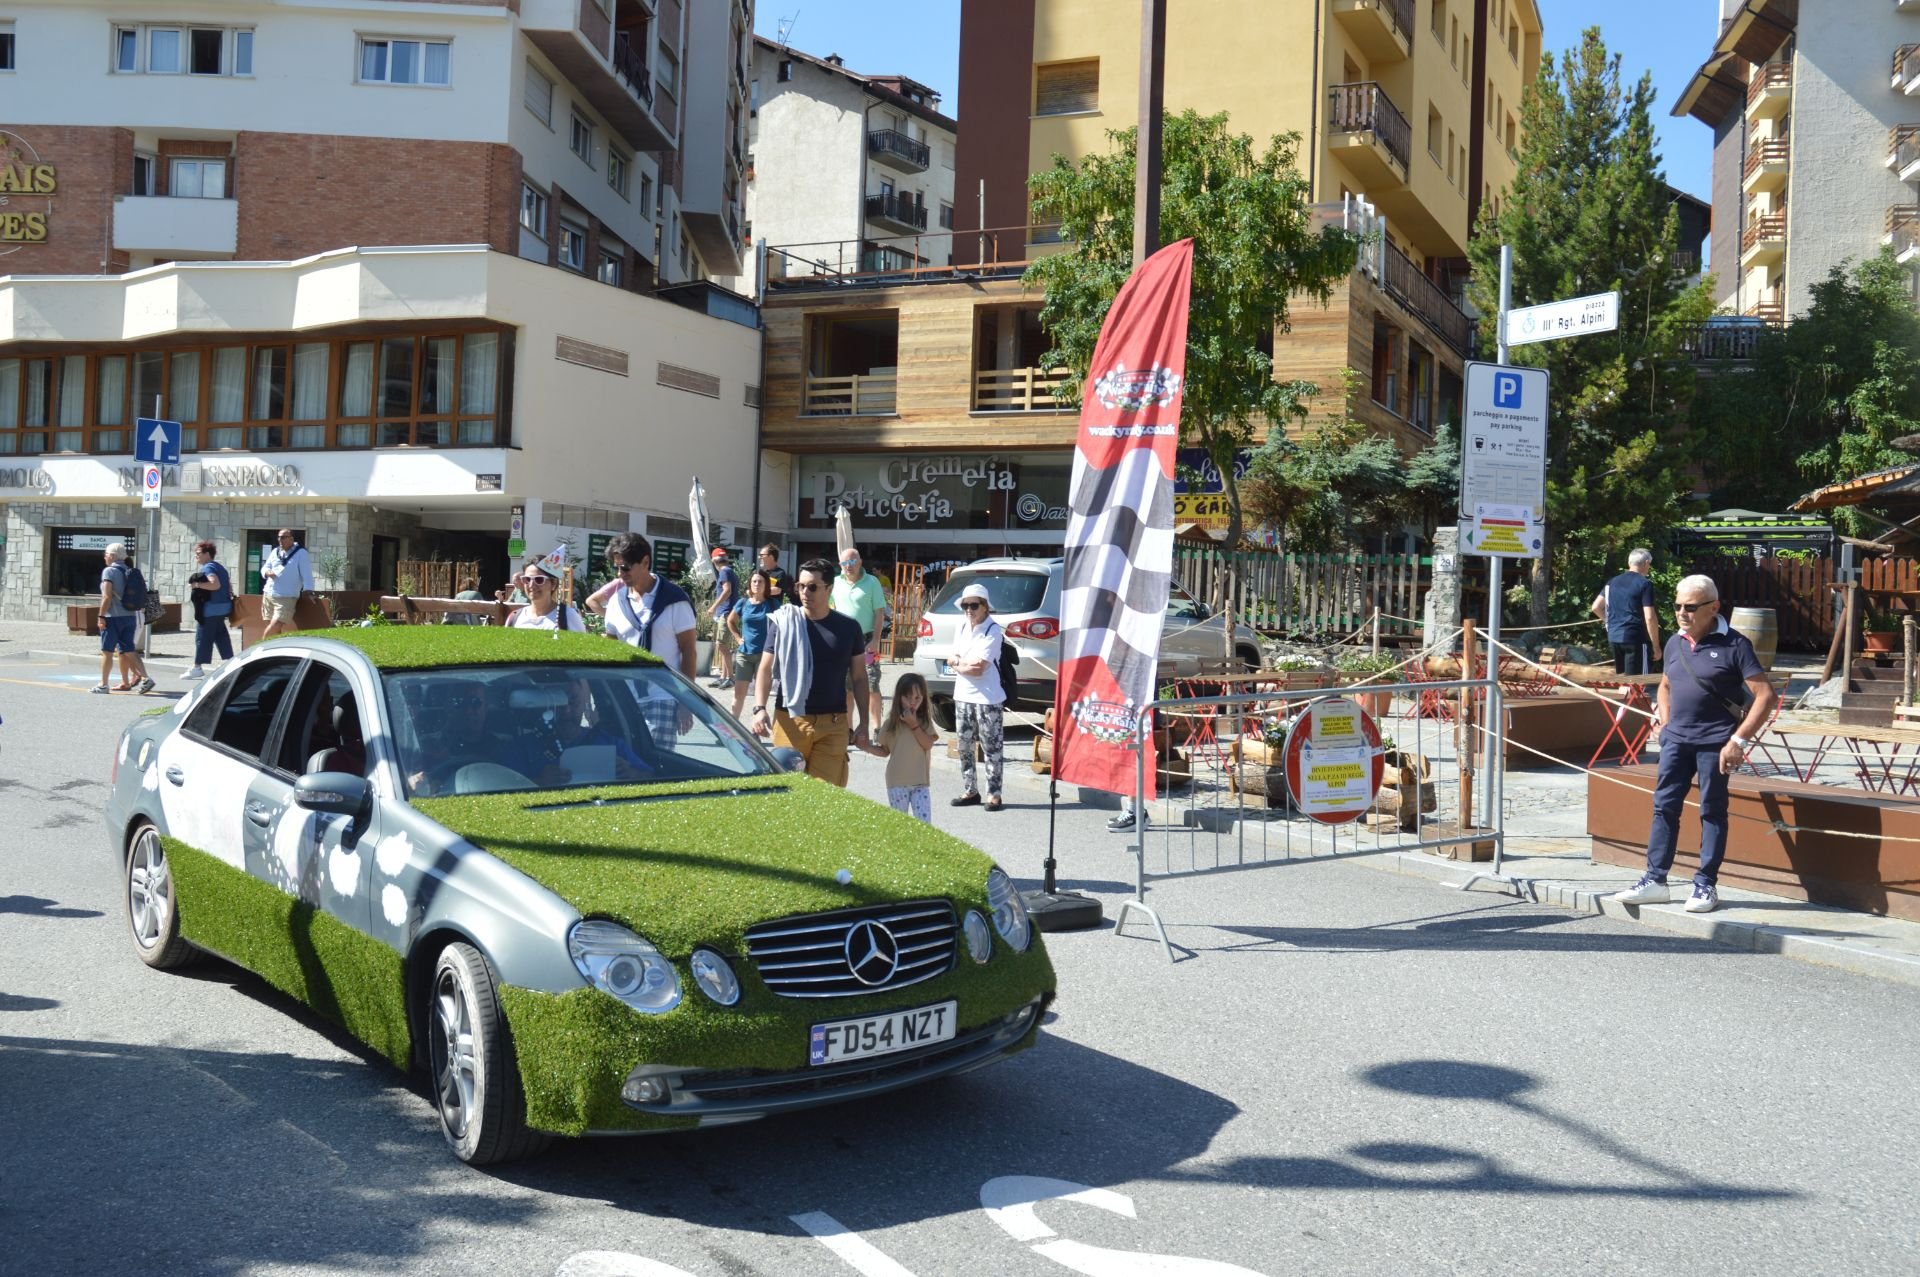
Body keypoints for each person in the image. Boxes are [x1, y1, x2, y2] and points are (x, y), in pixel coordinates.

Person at [1611, 574, 1777, 915]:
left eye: (1690, 607)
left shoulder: (1736, 644)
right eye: (1677, 606)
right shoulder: (1674, 642)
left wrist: (1738, 740)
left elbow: (1765, 696)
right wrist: (1665, 722)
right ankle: (1655, 880)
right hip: (1677, 741)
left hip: (1716, 743)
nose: (1682, 613)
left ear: (1713, 607)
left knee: (1712, 811)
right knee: (1664, 807)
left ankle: (1705, 884)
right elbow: (1666, 685)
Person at [750, 557, 871, 786]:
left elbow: (859, 677)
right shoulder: (784, 622)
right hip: (790, 720)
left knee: (826, 798)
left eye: (813, 586)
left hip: (833, 724)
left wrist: (864, 722)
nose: (805, 592)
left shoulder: (848, 628)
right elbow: (764, 669)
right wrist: (759, 708)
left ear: (830, 589)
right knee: (789, 794)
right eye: (801, 586)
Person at [587, 532, 698, 746]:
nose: (620, 574)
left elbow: (689, 652)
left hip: (663, 695)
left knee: (656, 765)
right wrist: (603, 699)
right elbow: (611, 653)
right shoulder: (617, 602)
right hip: (625, 696)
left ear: (645, 562)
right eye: (616, 567)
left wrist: (686, 701)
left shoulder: (675, 600)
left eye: (626, 567)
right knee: (625, 763)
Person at [947, 582, 1007, 811]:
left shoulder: (993, 630)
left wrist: (956, 664)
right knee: (964, 745)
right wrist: (961, 662)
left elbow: (979, 667)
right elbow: (953, 655)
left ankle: (994, 794)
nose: (969, 610)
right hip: (963, 696)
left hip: (988, 698)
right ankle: (970, 789)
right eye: (965, 605)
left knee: (991, 747)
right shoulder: (961, 626)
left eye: (974, 605)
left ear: (985, 607)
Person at [865, 671, 938, 823]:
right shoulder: (891, 724)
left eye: (917, 698)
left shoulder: (924, 722)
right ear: (899, 698)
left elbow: (928, 744)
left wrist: (914, 725)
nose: (912, 702)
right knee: (900, 824)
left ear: (923, 699)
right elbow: (885, 751)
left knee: (924, 825)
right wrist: (866, 747)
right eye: (908, 697)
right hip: (897, 782)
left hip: (920, 783)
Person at [831, 548, 891, 723]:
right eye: (844, 563)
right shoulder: (835, 583)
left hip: (867, 640)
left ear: (860, 562)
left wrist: (875, 640)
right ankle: (848, 728)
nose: (848, 566)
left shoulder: (872, 582)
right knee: (846, 687)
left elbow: (879, 613)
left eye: (851, 562)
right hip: (843, 642)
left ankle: (877, 728)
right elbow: (829, 609)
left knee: (872, 684)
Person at [94, 542, 153, 695]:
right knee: (129, 649)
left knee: (106, 651)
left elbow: (107, 596)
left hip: (113, 617)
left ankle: (103, 684)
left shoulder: (109, 571)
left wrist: (101, 615)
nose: (105, 557)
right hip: (130, 616)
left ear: (112, 556)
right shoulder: (128, 570)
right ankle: (146, 678)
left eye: (106, 554)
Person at [1591, 548, 1660, 674]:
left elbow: (1595, 607)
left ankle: (1624, 693)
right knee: (1639, 683)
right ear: (1646, 563)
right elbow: (1649, 617)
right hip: (1635, 637)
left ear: (1629, 563)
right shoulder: (1645, 584)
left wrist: (1608, 622)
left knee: (1623, 680)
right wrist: (1656, 646)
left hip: (1614, 636)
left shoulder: (1612, 582)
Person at [728, 566, 775, 718]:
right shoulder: (743, 603)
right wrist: (737, 637)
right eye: (754, 581)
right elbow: (730, 621)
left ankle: (756, 730)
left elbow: (781, 625)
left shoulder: (772, 604)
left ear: (766, 584)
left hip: (764, 656)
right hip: (744, 654)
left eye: (760, 581)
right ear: (750, 584)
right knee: (738, 696)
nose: (757, 584)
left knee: (760, 700)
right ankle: (731, 731)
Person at [183, 540, 234, 680]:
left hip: (210, 609)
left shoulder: (208, 568)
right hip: (223, 607)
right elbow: (229, 587)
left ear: (207, 554)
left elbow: (215, 585)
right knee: (221, 636)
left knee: (202, 638)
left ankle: (197, 667)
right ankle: (230, 661)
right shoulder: (220, 567)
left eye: (198, 553)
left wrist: (197, 585)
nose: (196, 556)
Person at [260, 528, 314, 638]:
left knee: (274, 627)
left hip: (286, 597)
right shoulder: (275, 551)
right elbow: (265, 567)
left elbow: (307, 574)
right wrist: (266, 572)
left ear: (291, 538)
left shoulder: (301, 553)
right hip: (268, 594)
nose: (280, 539)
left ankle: (261, 649)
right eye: (279, 537)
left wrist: (308, 591)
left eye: (284, 537)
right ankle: (275, 653)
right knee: (273, 629)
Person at [506, 561, 587, 631]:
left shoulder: (568, 616)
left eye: (539, 579)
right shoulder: (514, 618)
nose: (531, 585)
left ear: (553, 584)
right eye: (527, 579)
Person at [708, 547, 739, 688]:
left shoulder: (725, 572)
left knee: (721, 645)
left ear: (713, 560)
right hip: (728, 612)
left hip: (725, 612)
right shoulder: (728, 571)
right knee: (723, 645)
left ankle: (730, 678)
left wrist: (714, 607)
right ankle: (723, 677)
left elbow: (727, 590)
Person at [757, 544, 791, 608]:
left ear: (771, 557)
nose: (759, 557)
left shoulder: (780, 573)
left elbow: (777, 590)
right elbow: (749, 590)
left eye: (762, 555)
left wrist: (758, 591)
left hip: (772, 610)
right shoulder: (759, 573)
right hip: (759, 608)